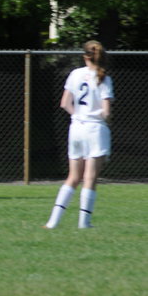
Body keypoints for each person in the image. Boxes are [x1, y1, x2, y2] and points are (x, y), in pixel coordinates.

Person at [44, 40, 114, 229]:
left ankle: (53, 221)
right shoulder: (104, 77)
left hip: (76, 128)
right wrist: (99, 118)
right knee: (90, 178)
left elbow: (65, 103)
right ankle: (84, 223)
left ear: (85, 56)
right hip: (95, 130)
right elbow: (106, 112)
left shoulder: (75, 74)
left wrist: (78, 116)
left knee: (73, 177)